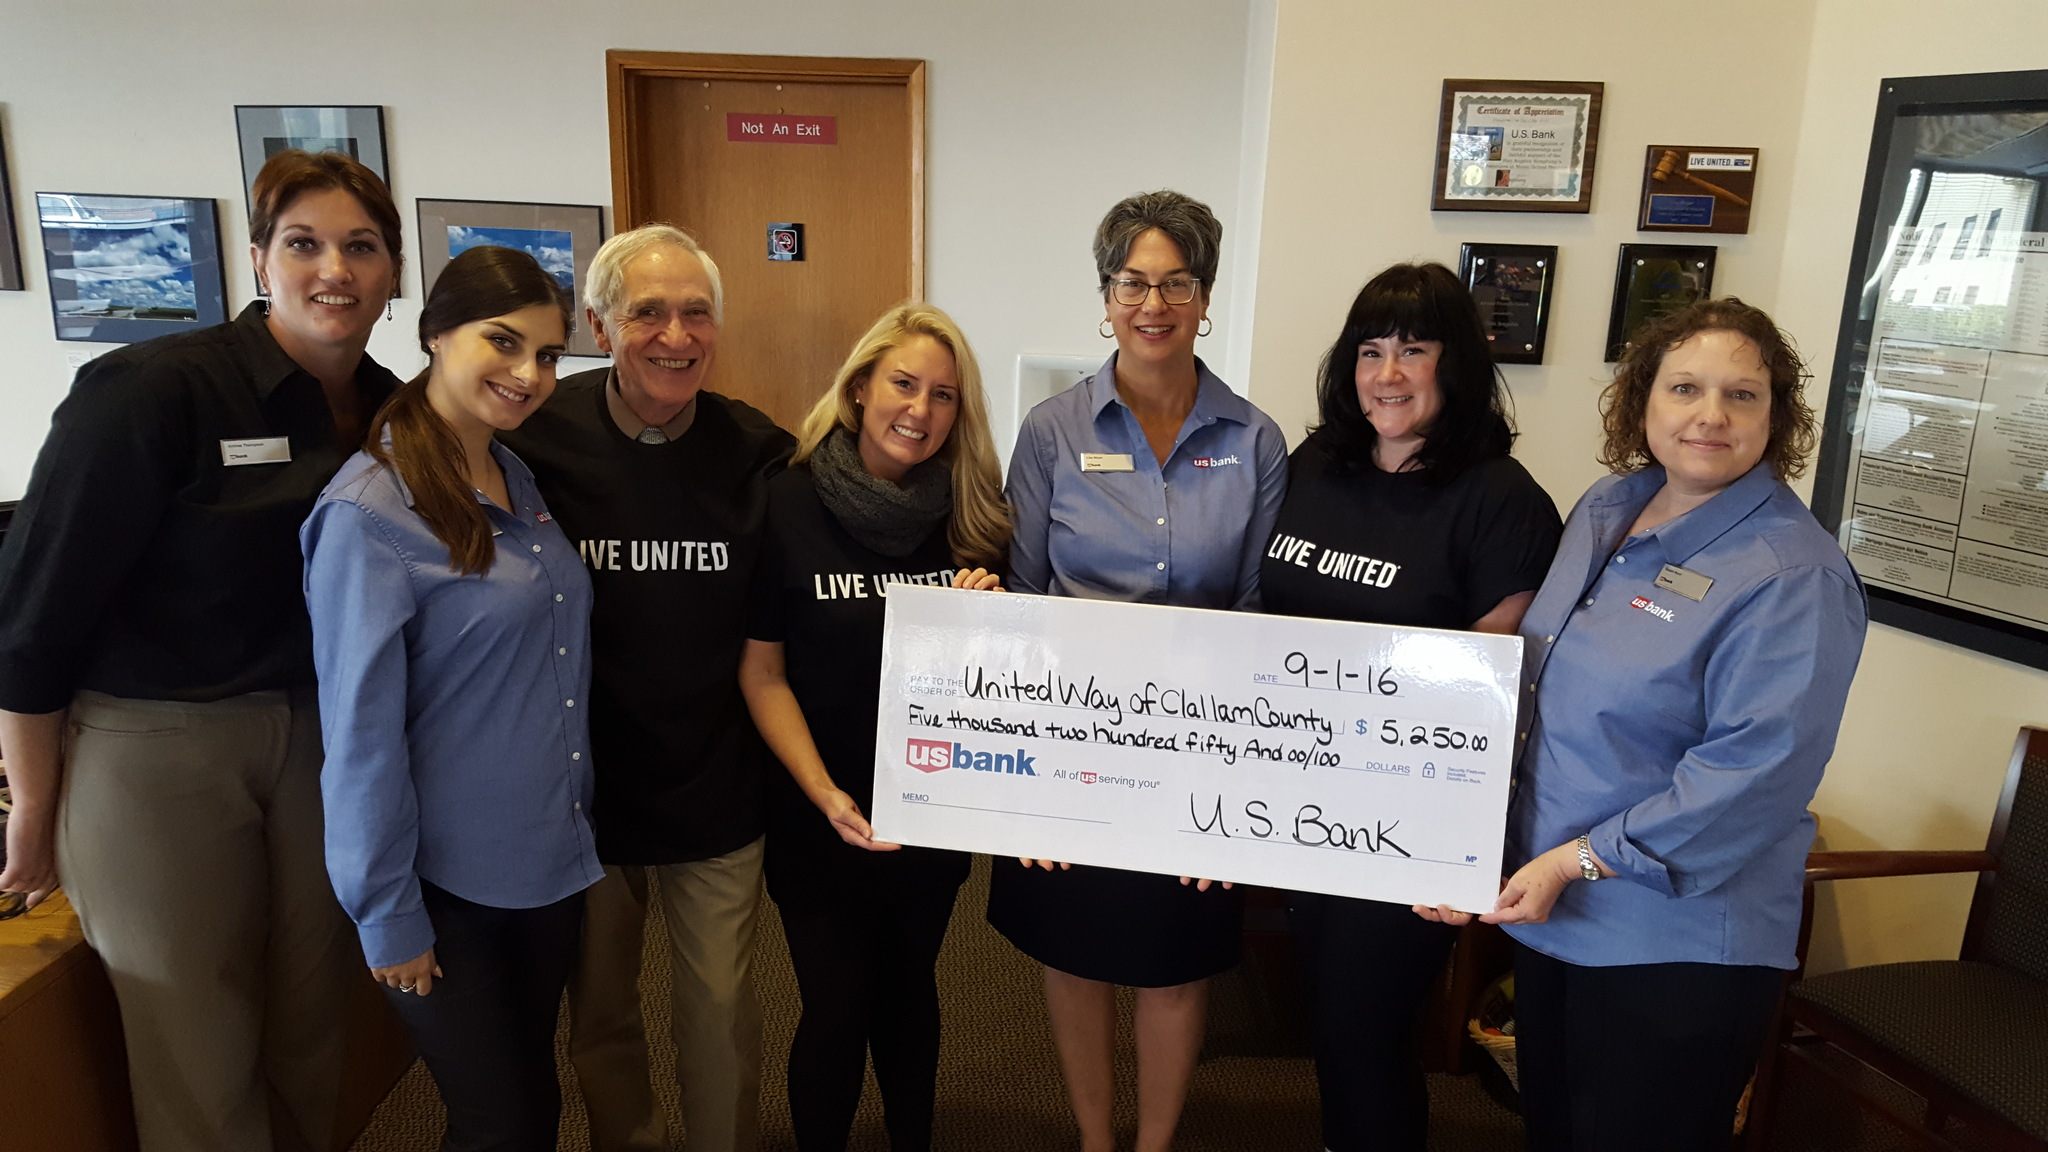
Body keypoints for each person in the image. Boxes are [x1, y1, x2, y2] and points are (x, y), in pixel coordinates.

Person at [0, 150, 401, 1152]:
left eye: (361, 247)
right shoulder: (150, 390)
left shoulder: (398, 409)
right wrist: (35, 804)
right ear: (259, 257)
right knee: (195, 1035)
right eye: (304, 244)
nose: (334, 272)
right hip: (156, 745)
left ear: (394, 270)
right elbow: (35, 613)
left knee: (312, 1021)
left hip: (322, 741)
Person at [1418, 298, 1868, 1150]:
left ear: (1778, 416)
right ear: (1643, 400)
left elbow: (1752, 777)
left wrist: (1575, 860)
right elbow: (1542, 699)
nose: (1710, 415)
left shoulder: (1792, 574)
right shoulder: (1610, 507)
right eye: (1686, 387)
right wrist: (1458, 841)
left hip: (1676, 947)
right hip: (1559, 921)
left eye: (1743, 395)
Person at [987, 190, 1288, 1152]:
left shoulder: (1254, 440)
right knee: (1074, 956)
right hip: (1073, 743)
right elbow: (1025, 598)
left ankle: (1153, 1146)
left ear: (1205, 298)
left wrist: (1231, 784)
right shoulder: (1051, 430)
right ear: (1106, 296)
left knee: (1175, 965)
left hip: (1197, 754)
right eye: (1132, 283)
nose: (1152, 303)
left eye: (1176, 283)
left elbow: (1256, 618)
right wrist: (1024, 780)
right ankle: (1094, 1139)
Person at [500, 224, 794, 1152]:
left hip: (716, 785)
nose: (676, 335)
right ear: (598, 323)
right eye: (648, 313)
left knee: (720, 1017)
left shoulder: (760, 453)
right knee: (601, 1019)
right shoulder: (533, 444)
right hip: (584, 794)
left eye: (696, 312)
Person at [1260, 262, 1561, 1152]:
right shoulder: (1317, 464)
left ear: (1455, 363)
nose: (1388, 373)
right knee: (1331, 1023)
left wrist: (1451, 852)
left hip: (1403, 823)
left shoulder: (1501, 502)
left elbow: (1496, 702)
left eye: (1414, 350)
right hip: (1302, 801)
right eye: (1371, 350)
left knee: (1368, 1034)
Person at [302, 244, 595, 1150]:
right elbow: (359, 738)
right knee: (498, 1122)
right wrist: (386, 913)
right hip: (443, 887)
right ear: (434, 334)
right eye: (502, 343)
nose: (528, 374)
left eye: (548, 356)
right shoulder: (370, 514)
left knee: (528, 1109)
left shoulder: (518, 477)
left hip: (546, 864)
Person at [739, 302, 1011, 1150]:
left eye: (943, 396)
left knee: (910, 991)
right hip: (819, 810)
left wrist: (987, 623)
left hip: (928, 812)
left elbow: (1001, 690)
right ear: (859, 387)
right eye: (903, 384)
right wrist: (824, 795)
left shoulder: (969, 519)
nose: (920, 411)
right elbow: (763, 670)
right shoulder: (785, 501)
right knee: (835, 1004)